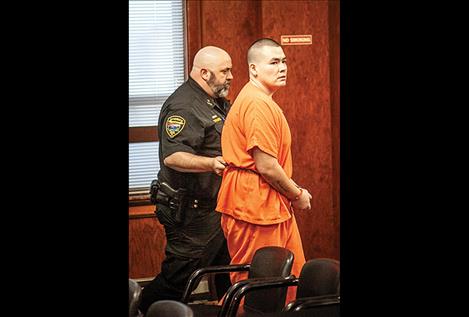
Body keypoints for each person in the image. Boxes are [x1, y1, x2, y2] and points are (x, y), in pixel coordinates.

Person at [216, 38, 312, 304]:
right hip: (254, 206)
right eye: (273, 62)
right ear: (254, 69)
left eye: (284, 61)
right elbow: (267, 166)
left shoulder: (259, 99)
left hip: (265, 204)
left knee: (289, 281)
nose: (282, 67)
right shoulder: (257, 103)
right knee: (259, 290)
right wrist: (297, 194)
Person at [139, 46, 234, 314]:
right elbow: (173, 156)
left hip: (212, 208)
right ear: (204, 73)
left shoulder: (211, 99)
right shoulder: (184, 105)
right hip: (190, 212)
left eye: (230, 70)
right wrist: (211, 163)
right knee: (178, 280)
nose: (230, 76)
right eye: (224, 71)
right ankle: (143, 310)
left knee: (224, 268)